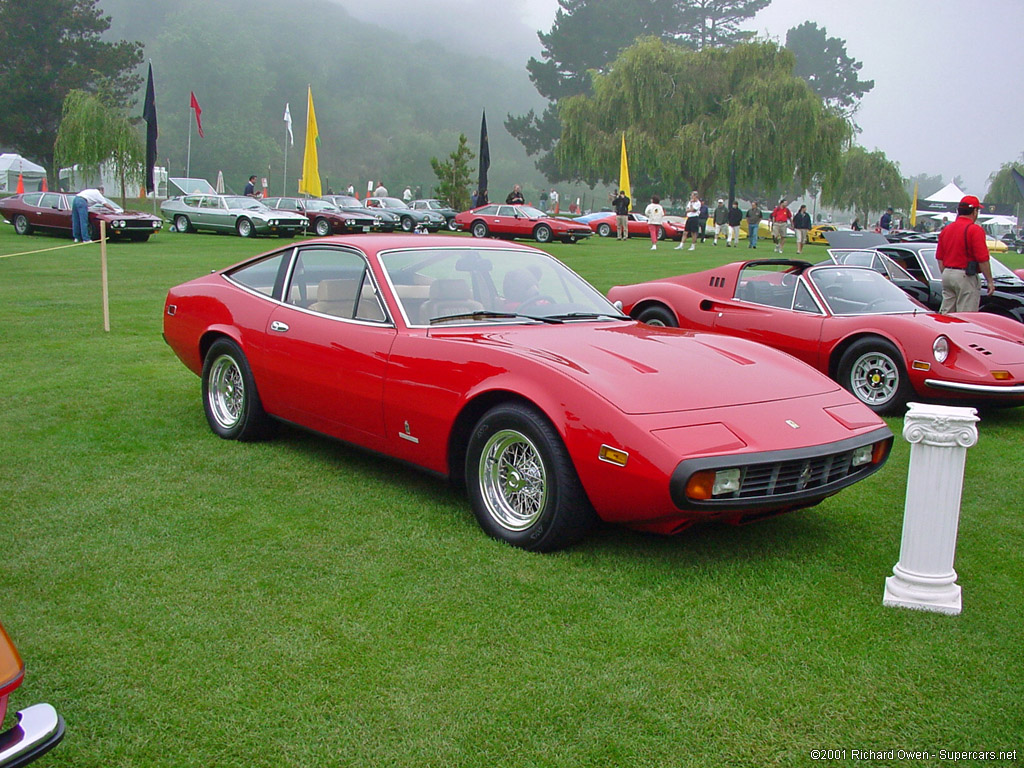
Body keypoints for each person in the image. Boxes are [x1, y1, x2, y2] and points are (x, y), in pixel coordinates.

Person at [936, 195, 994, 313]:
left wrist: (947, 273)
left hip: (947, 273)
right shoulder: (975, 229)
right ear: (975, 211)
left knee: (946, 313)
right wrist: (990, 281)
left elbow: (940, 257)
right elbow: (982, 258)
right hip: (965, 275)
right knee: (966, 315)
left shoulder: (947, 229)